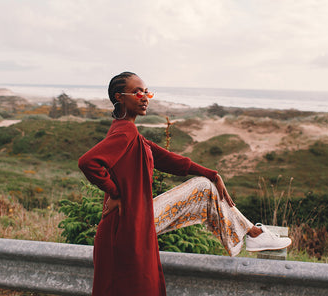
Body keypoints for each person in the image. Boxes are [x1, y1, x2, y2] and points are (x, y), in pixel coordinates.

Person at [78, 71, 291, 296]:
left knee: (204, 185)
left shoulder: (132, 134)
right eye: (137, 92)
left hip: (136, 218)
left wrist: (212, 173)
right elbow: (88, 162)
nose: (144, 97)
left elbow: (167, 160)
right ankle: (252, 234)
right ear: (119, 97)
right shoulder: (126, 132)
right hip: (122, 227)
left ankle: (251, 233)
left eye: (146, 91)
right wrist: (115, 193)